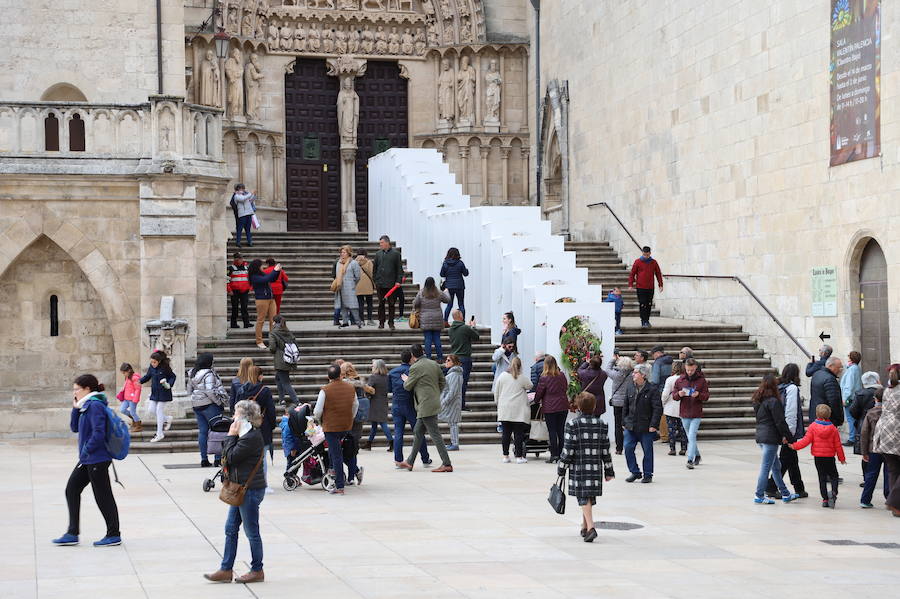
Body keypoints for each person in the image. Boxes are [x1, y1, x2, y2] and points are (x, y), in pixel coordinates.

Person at [52, 374, 121, 547]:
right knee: (71, 490)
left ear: (88, 389)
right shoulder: (85, 406)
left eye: (77, 389)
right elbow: (74, 428)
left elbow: (98, 433)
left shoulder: (96, 405)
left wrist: (86, 449)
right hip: (89, 459)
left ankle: (113, 534)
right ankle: (72, 533)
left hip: (97, 459)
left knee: (103, 496)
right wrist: (75, 408)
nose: (74, 392)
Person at [203, 400, 267, 583]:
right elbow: (225, 458)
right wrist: (232, 436)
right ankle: (226, 569)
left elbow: (230, 457)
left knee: (251, 531)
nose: (233, 418)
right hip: (240, 489)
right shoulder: (244, 435)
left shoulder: (251, 437)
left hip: (249, 490)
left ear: (246, 418)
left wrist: (230, 435)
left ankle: (257, 570)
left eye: (236, 415)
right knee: (230, 529)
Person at [559, 392, 615, 543]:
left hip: (579, 466)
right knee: (588, 496)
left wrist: (562, 467)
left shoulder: (573, 424)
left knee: (583, 496)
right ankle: (584, 526)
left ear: (578, 407)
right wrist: (609, 470)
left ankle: (591, 528)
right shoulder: (602, 424)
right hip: (595, 466)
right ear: (594, 406)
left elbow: (568, 449)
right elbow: (605, 450)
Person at [396, 344, 453, 472]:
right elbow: (443, 382)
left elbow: (407, 386)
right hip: (431, 402)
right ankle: (410, 462)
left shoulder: (415, 367)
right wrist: (435, 393)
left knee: (435, 434)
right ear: (422, 352)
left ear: (412, 355)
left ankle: (447, 463)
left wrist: (406, 379)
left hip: (425, 404)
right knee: (418, 432)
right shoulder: (433, 364)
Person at [751, 374, 801, 504]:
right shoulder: (773, 401)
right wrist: (789, 437)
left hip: (761, 436)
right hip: (770, 437)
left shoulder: (758, 400)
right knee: (766, 467)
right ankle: (759, 495)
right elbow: (780, 422)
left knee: (776, 466)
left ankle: (785, 493)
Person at [313, 365, 360, 494]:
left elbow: (317, 411)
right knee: (335, 451)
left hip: (331, 427)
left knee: (336, 454)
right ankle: (332, 471)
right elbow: (356, 404)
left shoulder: (325, 390)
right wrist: (351, 417)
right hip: (345, 425)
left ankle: (339, 485)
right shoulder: (350, 388)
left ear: (328, 377)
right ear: (340, 375)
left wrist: (317, 420)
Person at [790, 403, 846, 508]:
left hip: (818, 457)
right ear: (829, 415)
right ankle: (834, 492)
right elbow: (838, 445)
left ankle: (825, 499)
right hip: (830, 457)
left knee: (822, 478)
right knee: (834, 476)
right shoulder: (833, 428)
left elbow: (806, 441)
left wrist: (794, 446)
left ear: (816, 414)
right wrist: (842, 458)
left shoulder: (813, 427)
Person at [765, 363, 807, 498]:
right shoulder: (792, 388)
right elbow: (791, 411)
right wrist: (789, 433)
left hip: (780, 427)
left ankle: (799, 488)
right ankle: (771, 486)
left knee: (792, 458)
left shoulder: (779, 387)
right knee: (785, 458)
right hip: (788, 429)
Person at [389, 349, 431, 467]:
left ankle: (398, 460)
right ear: (411, 358)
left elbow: (389, 388)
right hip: (410, 404)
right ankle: (425, 458)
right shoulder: (412, 370)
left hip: (396, 404)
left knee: (398, 432)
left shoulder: (393, 372)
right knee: (418, 432)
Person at [237, 366, 277, 491]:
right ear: (259, 376)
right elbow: (271, 410)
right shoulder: (264, 390)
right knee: (262, 457)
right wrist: (272, 424)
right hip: (262, 426)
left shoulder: (242, 390)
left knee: (247, 456)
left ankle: (246, 481)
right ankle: (262, 483)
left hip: (245, 426)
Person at [622, 363, 662, 483]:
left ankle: (648, 474)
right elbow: (625, 406)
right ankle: (635, 472)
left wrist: (654, 425)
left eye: (636, 372)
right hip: (631, 425)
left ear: (643, 375)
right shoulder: (630, 387)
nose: (633, 374)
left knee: (647, 451)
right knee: (628, 448)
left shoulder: (652, 389)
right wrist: (623, 421)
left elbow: (657, 408)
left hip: (646, 426)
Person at [186, 353, 228, 467]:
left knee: (203, 431)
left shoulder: (193, 373)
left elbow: (189, 390)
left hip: (197, 405)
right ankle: (218, 458)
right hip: (210, 405)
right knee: (217, 430)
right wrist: (219, 402)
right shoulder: (209, 374)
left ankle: (204, 459)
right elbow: (210, 391)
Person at [872, 364, 900, 516]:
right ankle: (893, 502)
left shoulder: (887, 390)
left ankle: (895, 505)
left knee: (893, 469)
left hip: (884, 430)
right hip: (896, 431)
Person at [494, 356, 533, 463]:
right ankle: (519, 457)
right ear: (520, 366)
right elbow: (530, 386)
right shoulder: (522, 378)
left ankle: (505, 456)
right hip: (518, 410)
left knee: (506, 433)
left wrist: (498, 403)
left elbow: (496, 392)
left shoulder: (502, 376)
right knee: (518, 434)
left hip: (505, 409)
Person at [672, 357, 709, 469]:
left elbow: (706, 396)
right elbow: (674, 396)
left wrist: (698, 395)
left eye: (692, 370)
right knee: (690, 436)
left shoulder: (701, 380)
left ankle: (690, 459)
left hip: (696, 412)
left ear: (696, 368)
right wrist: (679, 394)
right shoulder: (680, 380)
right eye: (688, 370)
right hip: (684, 412)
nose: (690, 372)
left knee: (692, 435)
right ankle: (697, 455)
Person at [534, 355, 569, 464]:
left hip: (550, 407)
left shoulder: (544, 377)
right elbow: (565, 388)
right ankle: (562, 454)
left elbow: (539, 392)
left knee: (552, 431)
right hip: (563, 406)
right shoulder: (562, 375)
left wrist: (536, 400)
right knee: (561, 431)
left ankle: (554, 455)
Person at [859, 388, 890, 509]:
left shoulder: (871, 413)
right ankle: (890, 500)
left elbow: (864, 433)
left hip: (873, 449)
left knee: (871, 474)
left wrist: (864, 451)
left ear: (875, 399)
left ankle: (865, 499)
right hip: (889, 448)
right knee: (889, 474)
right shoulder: (892, 413)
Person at [140, 350, 175, 443]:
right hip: (155, 392)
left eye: (154, 362)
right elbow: (147, 376)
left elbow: (172, 376)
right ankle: (167, 418)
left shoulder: (165, 367)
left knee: (159, 410)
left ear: (159, 361)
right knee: (151, 409)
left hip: (164, 392)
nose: (153, 364)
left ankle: (159, 434)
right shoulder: (151, 367)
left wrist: (169, 384)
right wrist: (139, 381)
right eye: (151, 362)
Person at [448, 309, 479, 410]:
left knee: (454, 382)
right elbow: (476, 336)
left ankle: (453, 404)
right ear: (460, 316)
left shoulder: (450, 329)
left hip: (454, 358)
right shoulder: (465, 328)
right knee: (463, 383)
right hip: (464, 358)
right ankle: (461, 405)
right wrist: (473, 326)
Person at [413, 276, 450, 361]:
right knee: (437, 339)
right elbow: (448, 300)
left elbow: (415, 303)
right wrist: (446, 292)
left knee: (428, 339)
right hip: (437, 318)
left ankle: (428, 358)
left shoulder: (421, 293)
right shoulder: (438, 293)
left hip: (425, 319)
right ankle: (440, 358)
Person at [248, 258, 282, 349]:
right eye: (261, 265)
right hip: (261, 299)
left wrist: (277, 271)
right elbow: (268, 278)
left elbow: (273, 279)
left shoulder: (262, 274)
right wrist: (275, 270)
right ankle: (259, 341)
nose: (263, 267)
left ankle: (273, 340)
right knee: (261, 320)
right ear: (257, 267)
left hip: (271, 299)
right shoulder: (254, 276)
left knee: (273, 320)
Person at [603, 355, 634, 454]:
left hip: (617, 402)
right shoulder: (632, 375)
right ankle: (629, 445)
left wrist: (613, 359)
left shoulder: (616, 375)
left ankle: (619, 448)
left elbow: (607, 369)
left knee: (618, 425)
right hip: (629, 401)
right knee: (628, 424)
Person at [628, 245, 663, 328]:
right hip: (640, 287)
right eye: (644, 255)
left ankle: (647, 320)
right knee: (643, 304)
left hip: (650, 287)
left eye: (647, 255)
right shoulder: (637, 262)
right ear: (642, 253)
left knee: (649, 304)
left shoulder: (653, 262)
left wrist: (660, 285)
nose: (645, 256)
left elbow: (658, 273)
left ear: (650, 253)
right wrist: (630, 284)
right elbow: (632, 274)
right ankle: (643, 321)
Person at [373, 235, 404, 330]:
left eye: (381, 243)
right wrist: (375, 280)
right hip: (380, 283)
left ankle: (391, 323)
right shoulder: (378, 254)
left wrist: (398, 281)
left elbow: (399, 269)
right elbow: (375, 268)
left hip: (391, 284)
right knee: (380, 304)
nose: (380, 245)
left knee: (391, 304)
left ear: (387, 243)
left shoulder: (396, 254)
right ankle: (381, 322)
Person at [268, 315, 299, 406]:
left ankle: (297, 401)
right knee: (278, 378)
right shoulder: (288, 332)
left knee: (285, 382)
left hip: (280, 360)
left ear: (274, 322)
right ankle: (281, 400)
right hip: (289, 359)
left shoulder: (273, 333)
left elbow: (272, 348)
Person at [363, 359, 392, 451]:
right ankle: (369, 443)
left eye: (373, 365)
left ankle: (392, 441)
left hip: (375, 402)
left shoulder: (373, 377)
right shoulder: (387, 377)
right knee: (375, 424)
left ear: (377, 367)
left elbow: (368, 389)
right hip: (383, 401)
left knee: (382, 423)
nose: (372, 366)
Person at [809, 356, 845, 428]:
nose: (840, 370)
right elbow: (834, 401)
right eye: (838, 367)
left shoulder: (816, 374)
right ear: (831, 366)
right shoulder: (830, 379)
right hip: (826, 418)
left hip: (815, 415)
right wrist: (839, 419)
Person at [661, 360, 687, 456]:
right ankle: (683, 448)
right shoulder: (686, 379)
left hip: (671, 406)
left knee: (671, 429)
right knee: (683, 429)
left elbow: (665, 394)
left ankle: (672, 448)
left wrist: (663, 402)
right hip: (683, 406)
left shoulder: (670, 379)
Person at [439, 354, 464, 451]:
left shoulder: (454, 374)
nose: (446, 361)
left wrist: (444, 401)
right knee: (452, 422)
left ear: (454, 362)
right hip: (453, 402)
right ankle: (454, 442)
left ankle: (455, 443)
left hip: (452, 403)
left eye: (448, 360)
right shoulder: (454, 373)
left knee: (453, 423)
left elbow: (452, 391)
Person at [334, 245, 362, 329]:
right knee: (343, 305)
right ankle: (345, 322)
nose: (342, 254)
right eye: (341, 252)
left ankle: (358, 322)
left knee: (353, 305)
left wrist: (352, 283)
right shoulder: (339, 262)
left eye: (344, 252)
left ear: (348, 253)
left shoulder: (353, 263)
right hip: (340, 286)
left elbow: (358, 276)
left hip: (350, 286)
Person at [440, 247, 469, 323]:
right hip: (459, 286)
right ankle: (462, 321)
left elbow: (441, 274)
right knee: (461, 304)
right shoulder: (460, 263)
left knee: (449, 304)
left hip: (449, 287)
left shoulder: (445, 263)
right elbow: (465, 274)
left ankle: (445, 321)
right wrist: (466, 270)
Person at [840, 351, 863, 446]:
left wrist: (845, 398)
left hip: (850, 398)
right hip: (855, 397)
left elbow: (848, 386)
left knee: (850, 418)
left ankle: (852, 438)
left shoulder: (852, 369)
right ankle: (855, 437)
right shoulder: (856, 368)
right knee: (853, 418)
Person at [227, 252, 251, 329]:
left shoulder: (247, 267)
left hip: (244, 291)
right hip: (234, 292)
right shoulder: (230, 268)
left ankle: (246, 323)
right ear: (235, 259)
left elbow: (250, 279)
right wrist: (229, 290)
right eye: (239, 258)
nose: (241, 260)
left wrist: (250, 288)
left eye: (241, 258)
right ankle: (233, 324)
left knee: (245, 307)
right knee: (235, 308)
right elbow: (226, 280)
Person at [117, 363, 142, 432]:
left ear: (129, 370)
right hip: (126, 398)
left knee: (133, 412)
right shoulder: (127, 377)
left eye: (124, 373)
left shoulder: (135, 378)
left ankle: (138, 425)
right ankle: (134, 419)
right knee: (122, 409)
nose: (124, 374)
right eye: (123, 373)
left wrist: (135, 399)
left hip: (133, 399)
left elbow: (138, 389)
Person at [355, 249, 376, 326]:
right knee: (369, 303)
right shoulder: (368, 262)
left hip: (358, 284)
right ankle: (369, 319)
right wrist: (375, 284)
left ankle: (361, 320)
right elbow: (372, 274)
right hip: (368, 284)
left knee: (360, 303)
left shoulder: (354, 262)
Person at [232, 183, 256, 248]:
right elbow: (243, 199)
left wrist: (253, 195)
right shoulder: (236, 196)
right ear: (238, 189)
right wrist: (250, 193)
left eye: (243, 189)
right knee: (240, 229)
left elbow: (250, 200)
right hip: (242, 215)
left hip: (249, 213)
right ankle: (238, 242)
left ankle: (249, 242)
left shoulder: (245, 195)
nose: (242, 190)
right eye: (241, 189)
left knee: (248, 229)